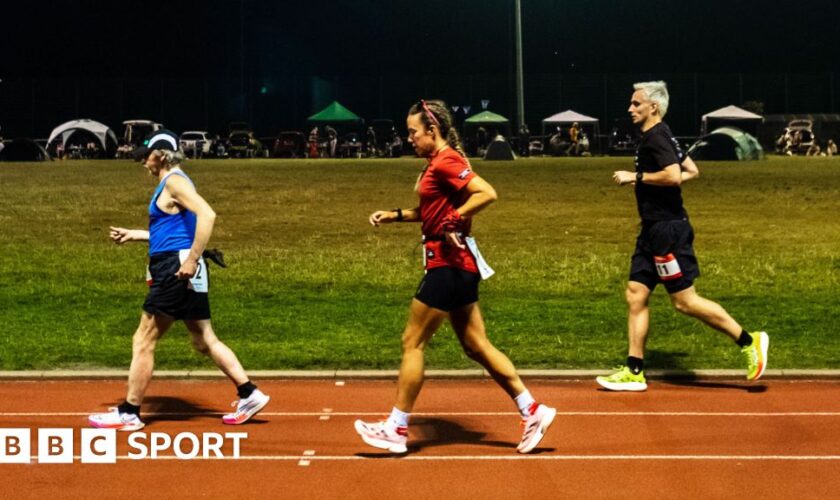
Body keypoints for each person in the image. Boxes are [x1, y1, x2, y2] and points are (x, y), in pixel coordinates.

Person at [354, 100, 555, 454]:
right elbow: (434, 210)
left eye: (414, 132)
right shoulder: (437, 162)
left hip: (447, 264)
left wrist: (454, 218)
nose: (409, 138)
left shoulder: (447, 160)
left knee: (411, 342)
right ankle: (533, 410)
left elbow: (487, 193)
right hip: (458, 265)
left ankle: (396, 428)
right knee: (476, 345)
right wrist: (396, 215)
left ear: (432, 131)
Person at [88, 131, 269, 430]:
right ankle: (249, 393)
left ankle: (129, 411)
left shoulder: (174, 181)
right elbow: (178, 229)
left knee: (143, 339)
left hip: (176, 268)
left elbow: (207, 215)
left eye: (146, 156)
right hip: (180, 264)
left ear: (160, 155)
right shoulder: (176, 181)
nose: (143, 162)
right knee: (203, 339)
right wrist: (138, 235)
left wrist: (191, 260)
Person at [598, 81, 769, 392]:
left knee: (685, 302)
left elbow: (675, 175)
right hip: (651, 230)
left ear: (654, 107)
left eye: (637, 104)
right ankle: (634, 370)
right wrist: (652, 183)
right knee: (636, 294)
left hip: (667, 232)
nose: (630, 109)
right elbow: (691, 170)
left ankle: (749, 340)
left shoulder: (656, 136)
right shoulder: (661, 134)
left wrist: (635, 177)